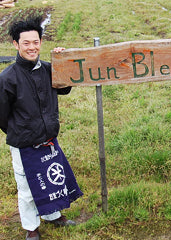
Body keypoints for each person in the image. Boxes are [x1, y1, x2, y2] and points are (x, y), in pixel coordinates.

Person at [0, 16, 83, 240]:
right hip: (23, 145)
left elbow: (65, 88)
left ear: (41, 42)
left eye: (35, 42)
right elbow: (2, 115)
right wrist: (22, 132)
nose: (32, 47)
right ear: (16, 45)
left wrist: (62, 61)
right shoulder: (7, 78)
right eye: (26, 43)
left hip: (48, 141)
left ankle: (52, 215)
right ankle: (31, 227)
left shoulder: (48, 69)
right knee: (27, 188)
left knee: (51, 180)